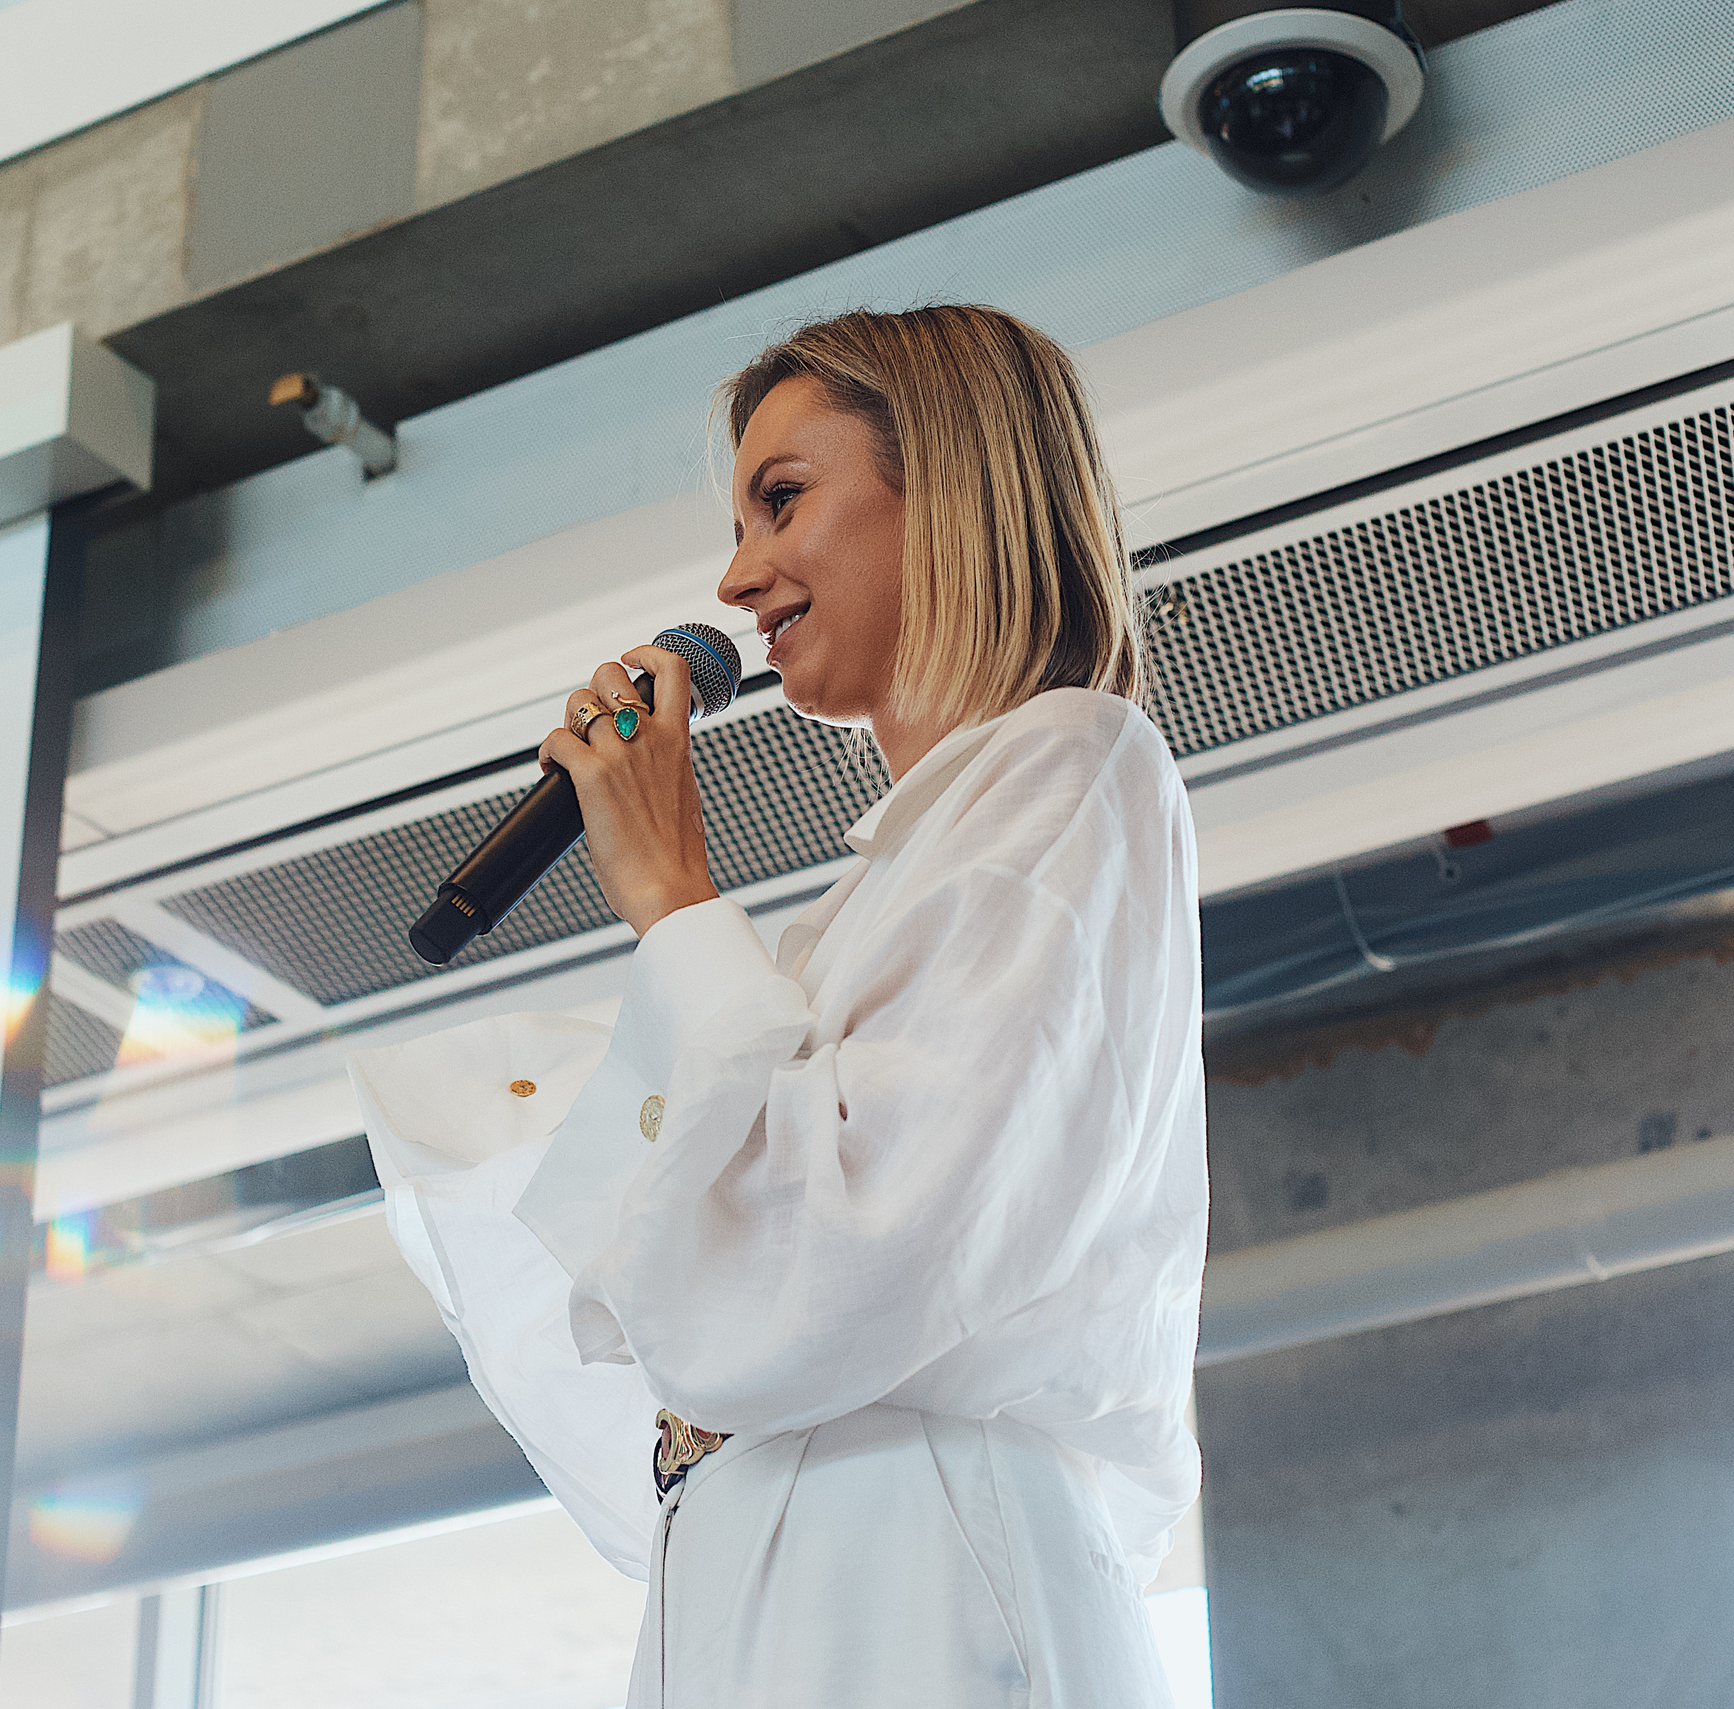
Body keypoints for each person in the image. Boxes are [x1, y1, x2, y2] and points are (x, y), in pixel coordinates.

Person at [350, 305, 1207, 1708]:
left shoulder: (1074, 767)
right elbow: (715, 1328)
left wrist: (677, 904)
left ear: (950, 481)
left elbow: (847, 1252)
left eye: (784, 500)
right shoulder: (867, 900)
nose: (740, 577)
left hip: (914, 1577)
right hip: (775, 1584)